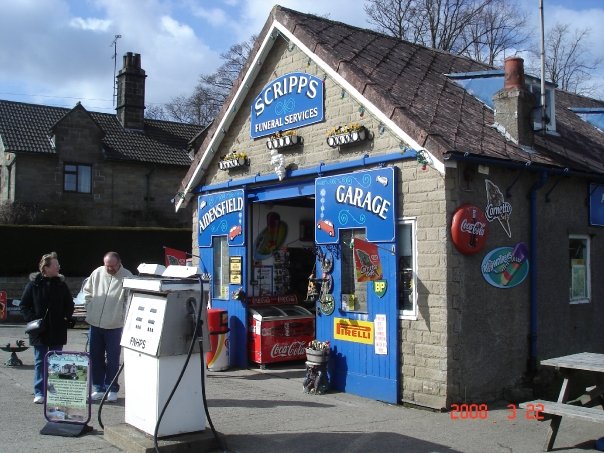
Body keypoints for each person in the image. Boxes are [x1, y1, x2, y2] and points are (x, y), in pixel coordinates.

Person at [20, 252, 74, 404]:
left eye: (58, 264)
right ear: (46, 268)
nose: (59, 267)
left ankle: (54, 391)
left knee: (56, 361)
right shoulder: (33, 285)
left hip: (57, 329)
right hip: (39, 331)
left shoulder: (61, 285)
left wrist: (65, 318)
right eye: (55, 265)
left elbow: (69, 304)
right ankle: (40, 392)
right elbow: (24, 306)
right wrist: (33, 320)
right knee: (40, 361)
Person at [84, 251, 132, 402]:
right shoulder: (97, 273)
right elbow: (87, 291)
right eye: (107, 265)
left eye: (112, 265)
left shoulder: (128, 276)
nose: (109, 268)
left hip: (115, 325)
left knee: (113, 359)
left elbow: (130, 300)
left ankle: (112, 388)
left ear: (119, 262)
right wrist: (89, 307)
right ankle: (98, 388)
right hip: (95, 323)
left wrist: (122, 317)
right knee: (95, 357)